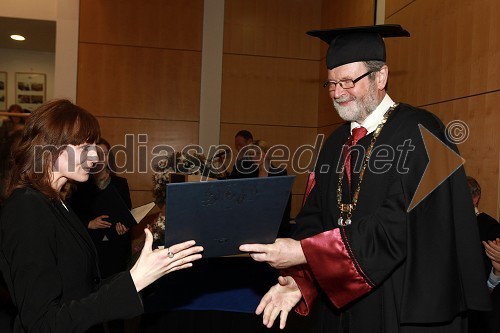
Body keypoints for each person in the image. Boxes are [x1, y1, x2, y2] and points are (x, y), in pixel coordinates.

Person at [239, 24, 491, 332]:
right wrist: (300, 277)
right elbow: (313, 217)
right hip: (340, 304)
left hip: (401, 301)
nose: (337, 92)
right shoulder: (333, 143)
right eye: (331, 83)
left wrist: (307, 253)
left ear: (380, 76)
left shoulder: (425, 132)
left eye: (347, 81)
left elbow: (401, 223)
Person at [0, 99, 203, 333]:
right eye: (84, 148)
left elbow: (84, 288)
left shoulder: (56, 203)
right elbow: (43, 323)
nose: (95, 158)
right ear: (50, 147)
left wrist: (145, 274)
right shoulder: (26, 208)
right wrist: (133, 280)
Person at [466, 176, 500, 333]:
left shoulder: (490, 229)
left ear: (475, 198)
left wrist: (496, 271)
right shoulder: (441, 227)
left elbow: (491, 285)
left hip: (477, 318)